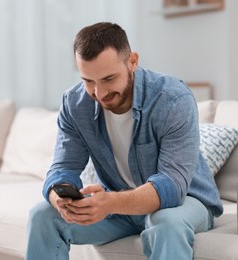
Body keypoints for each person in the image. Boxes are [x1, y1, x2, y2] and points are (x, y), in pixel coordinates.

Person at [26, 22, 223, 260]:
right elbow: (62, 169)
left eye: (108, 78)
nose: (99, 93)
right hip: (119, 208)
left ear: (132, 61)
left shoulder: (172, 99)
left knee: (166, 222)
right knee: (42, 215)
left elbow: (172, 187)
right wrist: (62, 201)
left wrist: (109, 203)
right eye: (88, 80)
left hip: (184, 202)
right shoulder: (75, 104)